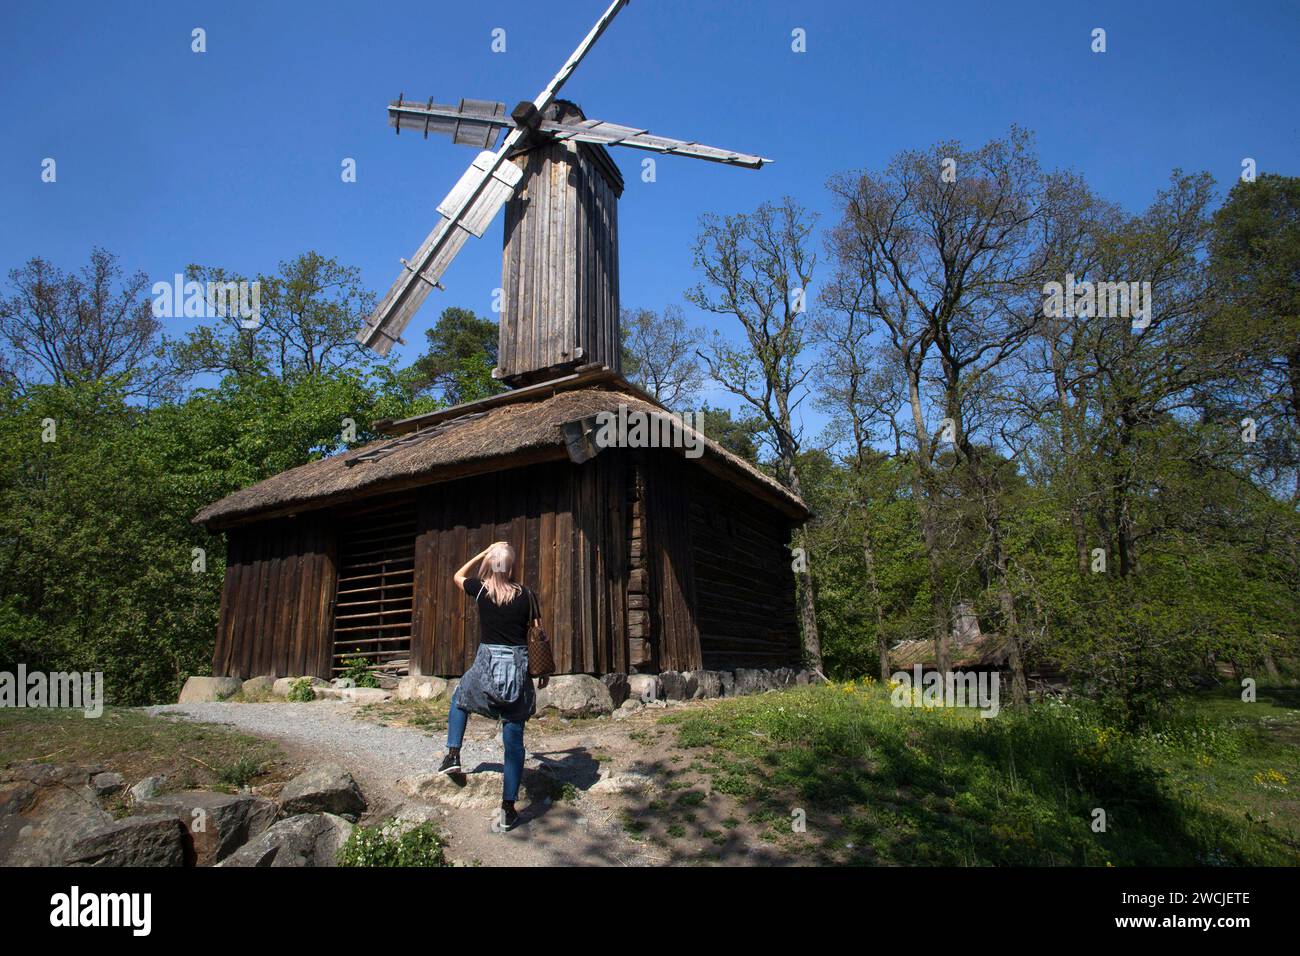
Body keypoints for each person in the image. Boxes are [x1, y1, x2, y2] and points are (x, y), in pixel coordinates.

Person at [438, 541, 541, 831]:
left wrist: (484, 552)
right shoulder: (527, 595)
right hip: (518, 665)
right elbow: (536, 632)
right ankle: (508, 808)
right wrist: (541, 670)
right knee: (514, 734)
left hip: (487, 663)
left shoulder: (481, 590)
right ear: (511, 566)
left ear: (492, 564)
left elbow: (457, 576)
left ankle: (453, 755)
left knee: (460, 698)